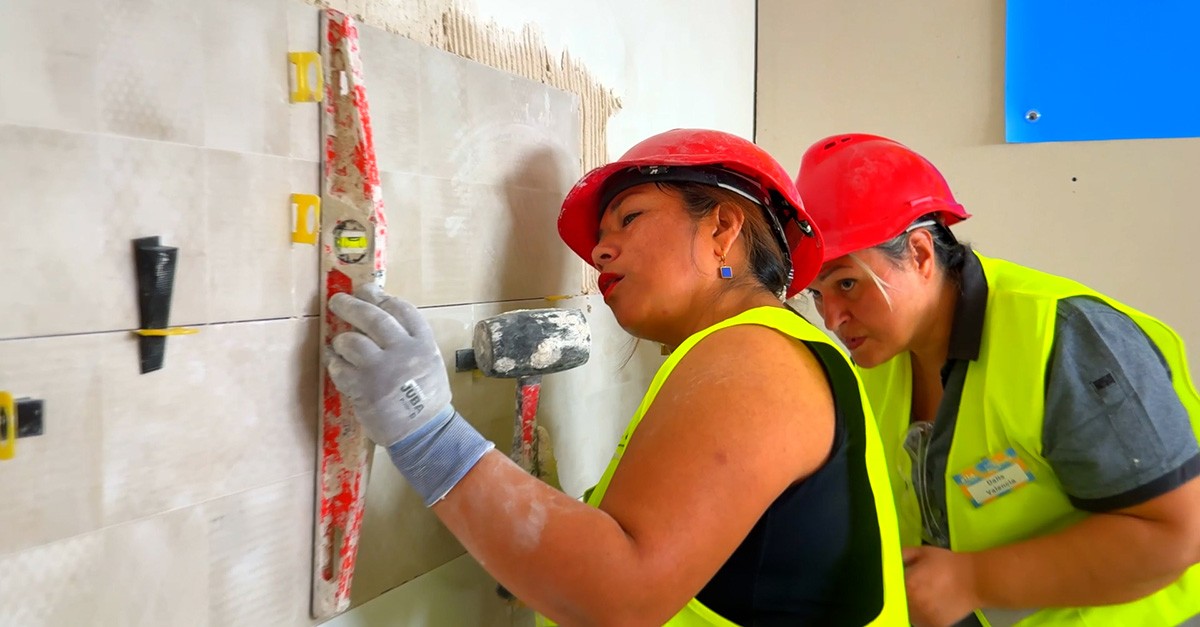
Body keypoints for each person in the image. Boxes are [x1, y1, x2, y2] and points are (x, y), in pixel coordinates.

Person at [325, 128, 908, 626]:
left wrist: (426, 434)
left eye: (629, 218)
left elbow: (623, 595)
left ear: (723, 229)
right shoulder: (762, 351)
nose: (600, 251)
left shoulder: (754, 356)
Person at [796, 132, 1200, 627]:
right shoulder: (882, 363)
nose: (832, 319)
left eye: (847, 283)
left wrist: (972, 580)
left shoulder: (1062, 338)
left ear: (921, 253)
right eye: (817, 295)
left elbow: (1176, 533)